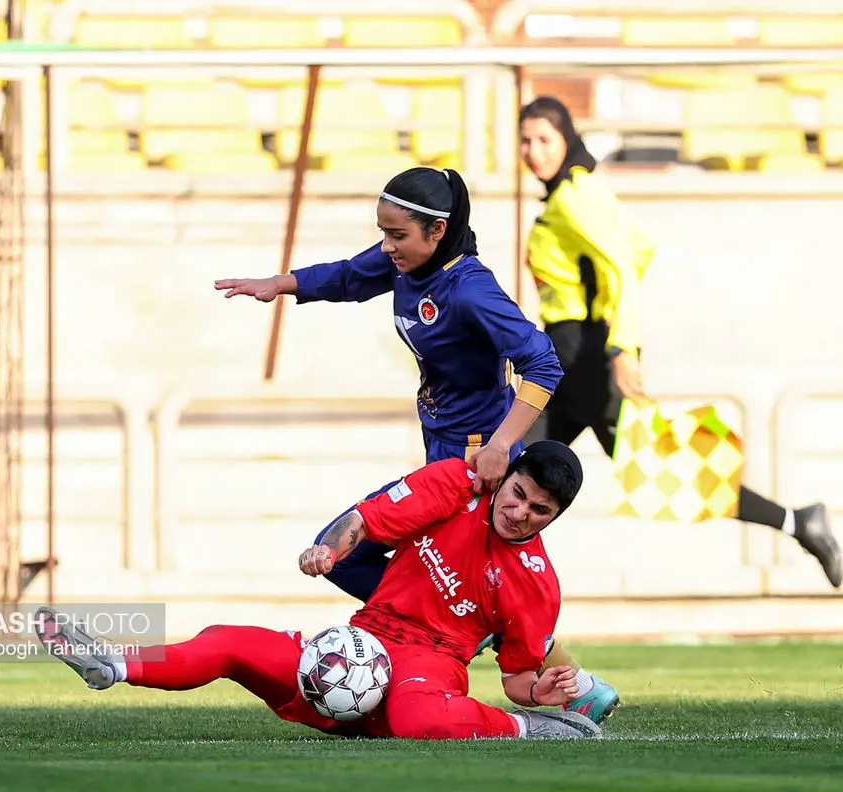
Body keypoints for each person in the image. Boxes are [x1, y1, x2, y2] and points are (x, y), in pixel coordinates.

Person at [213, 167, 622, 723]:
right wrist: (280, 285)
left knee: (341, 550)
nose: (386, 247)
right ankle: (569, 681)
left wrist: (504, 444)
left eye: (396, 235)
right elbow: (351, 276)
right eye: (382, 232)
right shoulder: (408, 260)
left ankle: (467, 635)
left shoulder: (471, 288)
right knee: (386, 564)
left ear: (437, 231)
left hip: (474, 460)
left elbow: (543, 362)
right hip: (443, 451)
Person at [36, 442, 604, 742]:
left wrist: (538, 695)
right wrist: (330, 551)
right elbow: (364, 519)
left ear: (553, 518)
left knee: (413, 720)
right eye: (519, 493)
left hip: (430, 667)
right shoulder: (454, 486)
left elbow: (516, 677)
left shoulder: (536, 582)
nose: (520, 512)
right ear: (506, 478)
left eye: (539, 511)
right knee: (230, 641)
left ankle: (531, 732)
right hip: (357, 646)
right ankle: (112, 665)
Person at [517, 96, 843, 588]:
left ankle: (800, 521)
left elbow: (626, 265)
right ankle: (799, 522)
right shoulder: (573, 193)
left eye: (544, 139)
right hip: (566, 358)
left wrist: (620, 346)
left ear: (567, 140)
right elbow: (640, 246)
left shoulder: (574, 197)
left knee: (664, 475)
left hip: (585, 361)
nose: (533, 151)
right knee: (511, 476)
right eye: (525, 140)